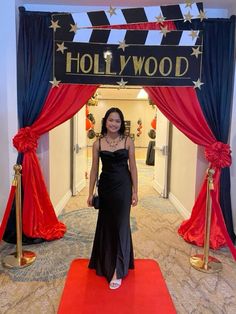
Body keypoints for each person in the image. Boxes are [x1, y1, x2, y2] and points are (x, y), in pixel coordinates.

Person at [87, 107, 138, 290]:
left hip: (123, 187)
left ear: (121, 123)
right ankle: (104, 261)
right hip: (106, 187)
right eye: (111, 120)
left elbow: (133, 167)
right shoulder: (98, 143)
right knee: (106, 224)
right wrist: (90, 191)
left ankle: (117, 268)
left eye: (117, 121)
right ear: (105, 121)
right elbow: (94, 169)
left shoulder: (128, 141)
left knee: (121, 224)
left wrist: (135, 191)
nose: (114, 124)